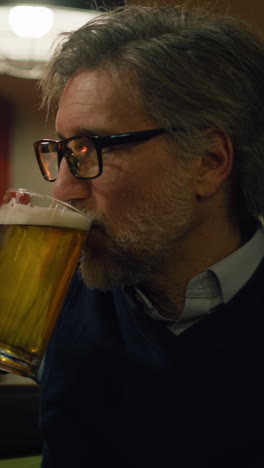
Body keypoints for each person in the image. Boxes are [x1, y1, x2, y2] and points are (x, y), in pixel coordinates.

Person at [34, 3, 264, 467]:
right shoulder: (56, 296)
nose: (61, 190)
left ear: (208, 161)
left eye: (88, 149)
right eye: (61, 151)